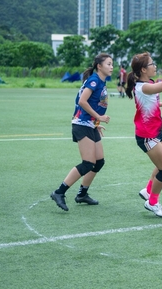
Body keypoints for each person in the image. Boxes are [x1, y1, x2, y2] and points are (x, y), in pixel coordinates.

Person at [126, 43, 162, 218]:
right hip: (147, 136)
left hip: (156, 130)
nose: (155, 66)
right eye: (152, 64)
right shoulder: (143, 87)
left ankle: (148, 190)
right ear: (143, 70)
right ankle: (152, 202)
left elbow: (146, 104)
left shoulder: (147, 84)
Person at [50, 53, 112, 211]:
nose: (112, 67)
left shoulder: (101, 81)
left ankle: (82, 194)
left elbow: (92, 103)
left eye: (112, 64)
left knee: (99, 162)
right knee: (88, 163)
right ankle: (59, 192)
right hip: (82, 124)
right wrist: (99, 117)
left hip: (90, 124)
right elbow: (82, 101)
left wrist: (96, 123)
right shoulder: (94, 80)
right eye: (109, 64)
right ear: (99, 66)